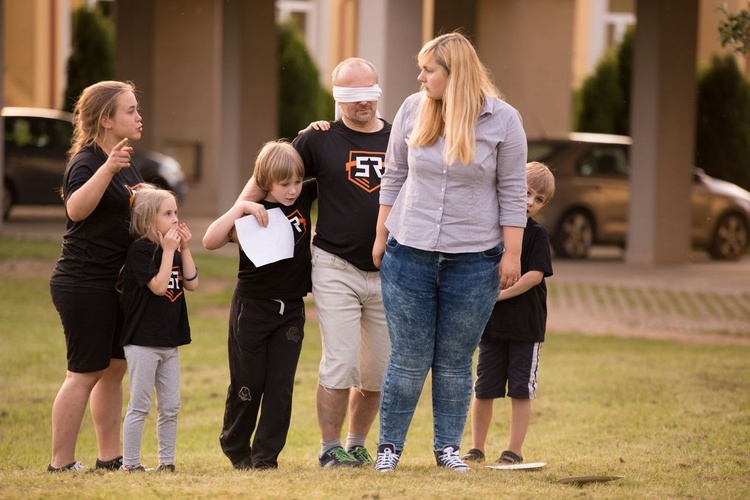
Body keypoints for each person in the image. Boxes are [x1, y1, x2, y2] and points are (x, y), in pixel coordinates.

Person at [372, 32, 528, 472]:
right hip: (409, 252)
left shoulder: (504, 120)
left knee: (456, 361)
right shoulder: (410, 109)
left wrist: (512, 254)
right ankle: (389, 449)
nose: (419, 77)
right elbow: (394, 175)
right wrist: (381, 235)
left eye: (428, 70)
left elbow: (514, 191)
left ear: (453, 74)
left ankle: (447, 450)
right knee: (408, 356)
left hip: (474, 260)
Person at [236, 58, 392, 468]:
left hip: (389, 270)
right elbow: (269, 175)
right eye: (353, 97)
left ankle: (357, 443)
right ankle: (329, 448)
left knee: (377, 370)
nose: (364, 104)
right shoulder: (318, 139)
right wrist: (241, 211)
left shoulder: (398, 138)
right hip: (334, 264)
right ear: (338, 98)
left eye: (369, 94)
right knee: (340, 362)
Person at [48, 81, 145, 472]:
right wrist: (107, 168)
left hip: (115, 283)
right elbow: (76, 209)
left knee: (113, 370)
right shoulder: (89, 160)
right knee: (84, 372)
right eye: (130, 110)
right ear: (106, 119)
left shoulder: (124, 158)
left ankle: (110, 459)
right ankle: (61, 463)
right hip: (84, 282)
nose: (139, 116)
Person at [204, 140, 317, 470]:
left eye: (297, 181)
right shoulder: (250, 211)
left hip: (291, 311)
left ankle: (266, 457)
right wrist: (240, 207)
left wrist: (315, 129)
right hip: (251, 310)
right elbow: (209, 241)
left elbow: (324, 160)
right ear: (265, 182)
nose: (293, 190)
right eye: (284, 184)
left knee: (280, 387)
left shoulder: (304, 196)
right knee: (249, 383)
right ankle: (236, 446)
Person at [462, 161, 555, 466]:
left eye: (539, 199)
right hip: (490, 327)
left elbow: (535, 276)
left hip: (525, 328)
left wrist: (499, 295)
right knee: (484, 388)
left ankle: (513, 451)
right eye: (526, 192)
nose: (530, 202)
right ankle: (476, 448)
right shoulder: (490, 228)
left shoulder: (537, 235)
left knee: (520, 390)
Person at [119, 185, 198, 472]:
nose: (176, 219)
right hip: (142, 341)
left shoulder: (173, 249)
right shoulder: (140, 250)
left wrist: (184, 249)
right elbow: (159, 286)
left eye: (176, 212)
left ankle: (166, 462)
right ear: (148, 220)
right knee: (140, 405)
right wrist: (168, 251)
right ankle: (130, 464)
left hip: (169, 341)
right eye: (168, 214)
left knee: (171, 406)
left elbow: (192, 283)